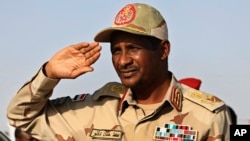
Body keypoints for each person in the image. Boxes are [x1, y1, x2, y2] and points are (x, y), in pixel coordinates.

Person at [7, 3, 232, 141]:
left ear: (163, 50)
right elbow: (21, 116)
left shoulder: (209, 115)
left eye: (133, 48)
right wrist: (49, 74)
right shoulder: (94, 110)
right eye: (116, 51)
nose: (123, 61)